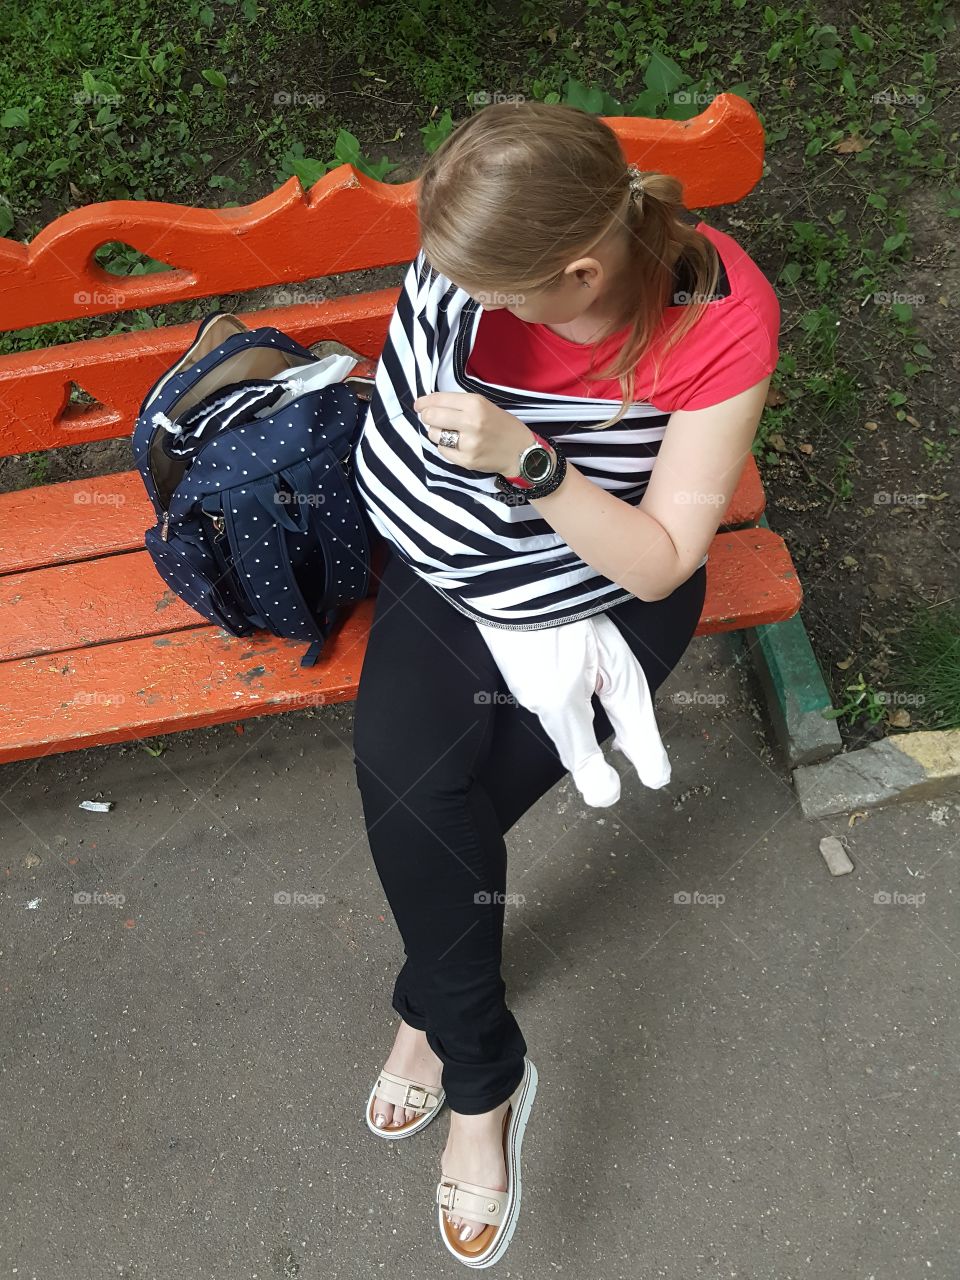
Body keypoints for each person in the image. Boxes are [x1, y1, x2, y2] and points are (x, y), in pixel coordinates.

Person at [351, 99, 780, 1266]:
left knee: (435, 819)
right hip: (459, 558)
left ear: (581, 267)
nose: (470, 308)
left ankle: (430, 1010)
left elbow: (659, 558)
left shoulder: (721, 316)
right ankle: (489, 1072)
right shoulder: (473, 259)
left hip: (604, 582)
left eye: (502, 295)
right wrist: (477, 473)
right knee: (413, 795)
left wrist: (527, 457)